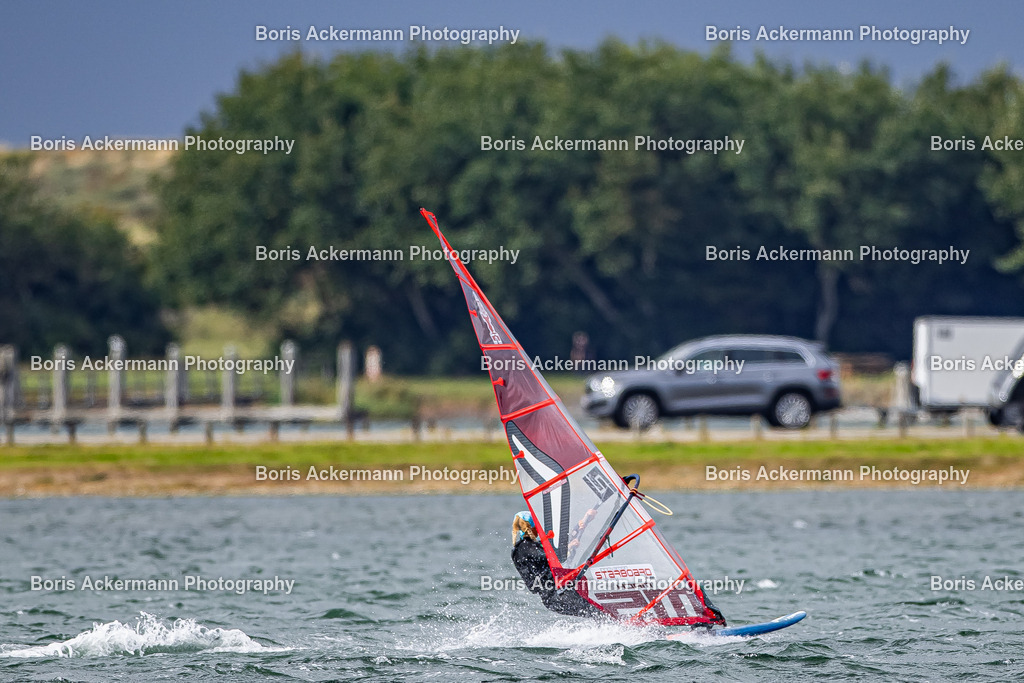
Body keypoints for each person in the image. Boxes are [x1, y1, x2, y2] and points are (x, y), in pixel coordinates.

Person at [510, 510, 602, 617]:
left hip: (556, 597)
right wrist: (569, 546)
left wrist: (583, 521)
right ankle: (618, 625)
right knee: (599, 615)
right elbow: (550, 555)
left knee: (597, 615)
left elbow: (556, 546)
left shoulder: (529, 546)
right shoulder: (524, 547)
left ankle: (614, 626)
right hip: (557, 596)